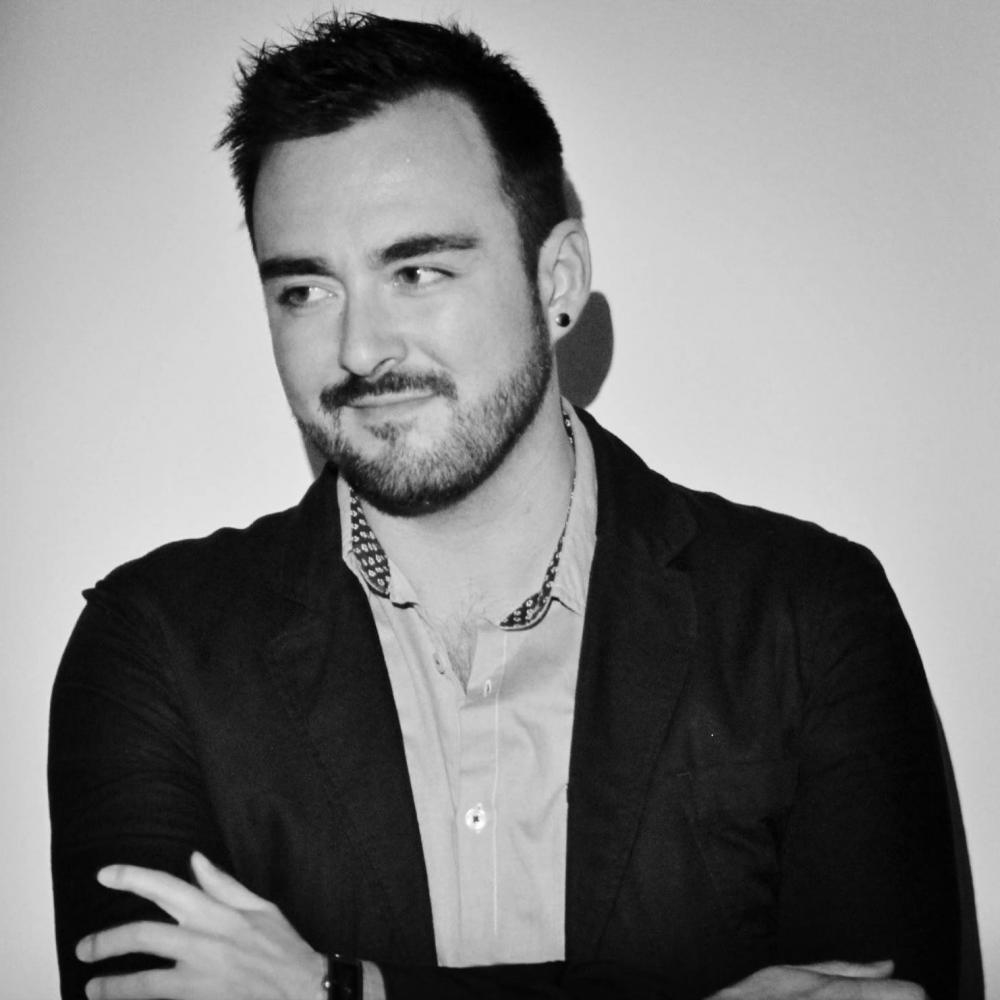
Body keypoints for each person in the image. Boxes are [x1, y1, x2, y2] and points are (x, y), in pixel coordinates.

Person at [49, 12, 968, 1000]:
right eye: (305, 290)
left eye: (418, 271)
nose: (359, 349)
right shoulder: (155, 647)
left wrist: (343, 990)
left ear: (557, 279)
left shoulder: (807, 617)